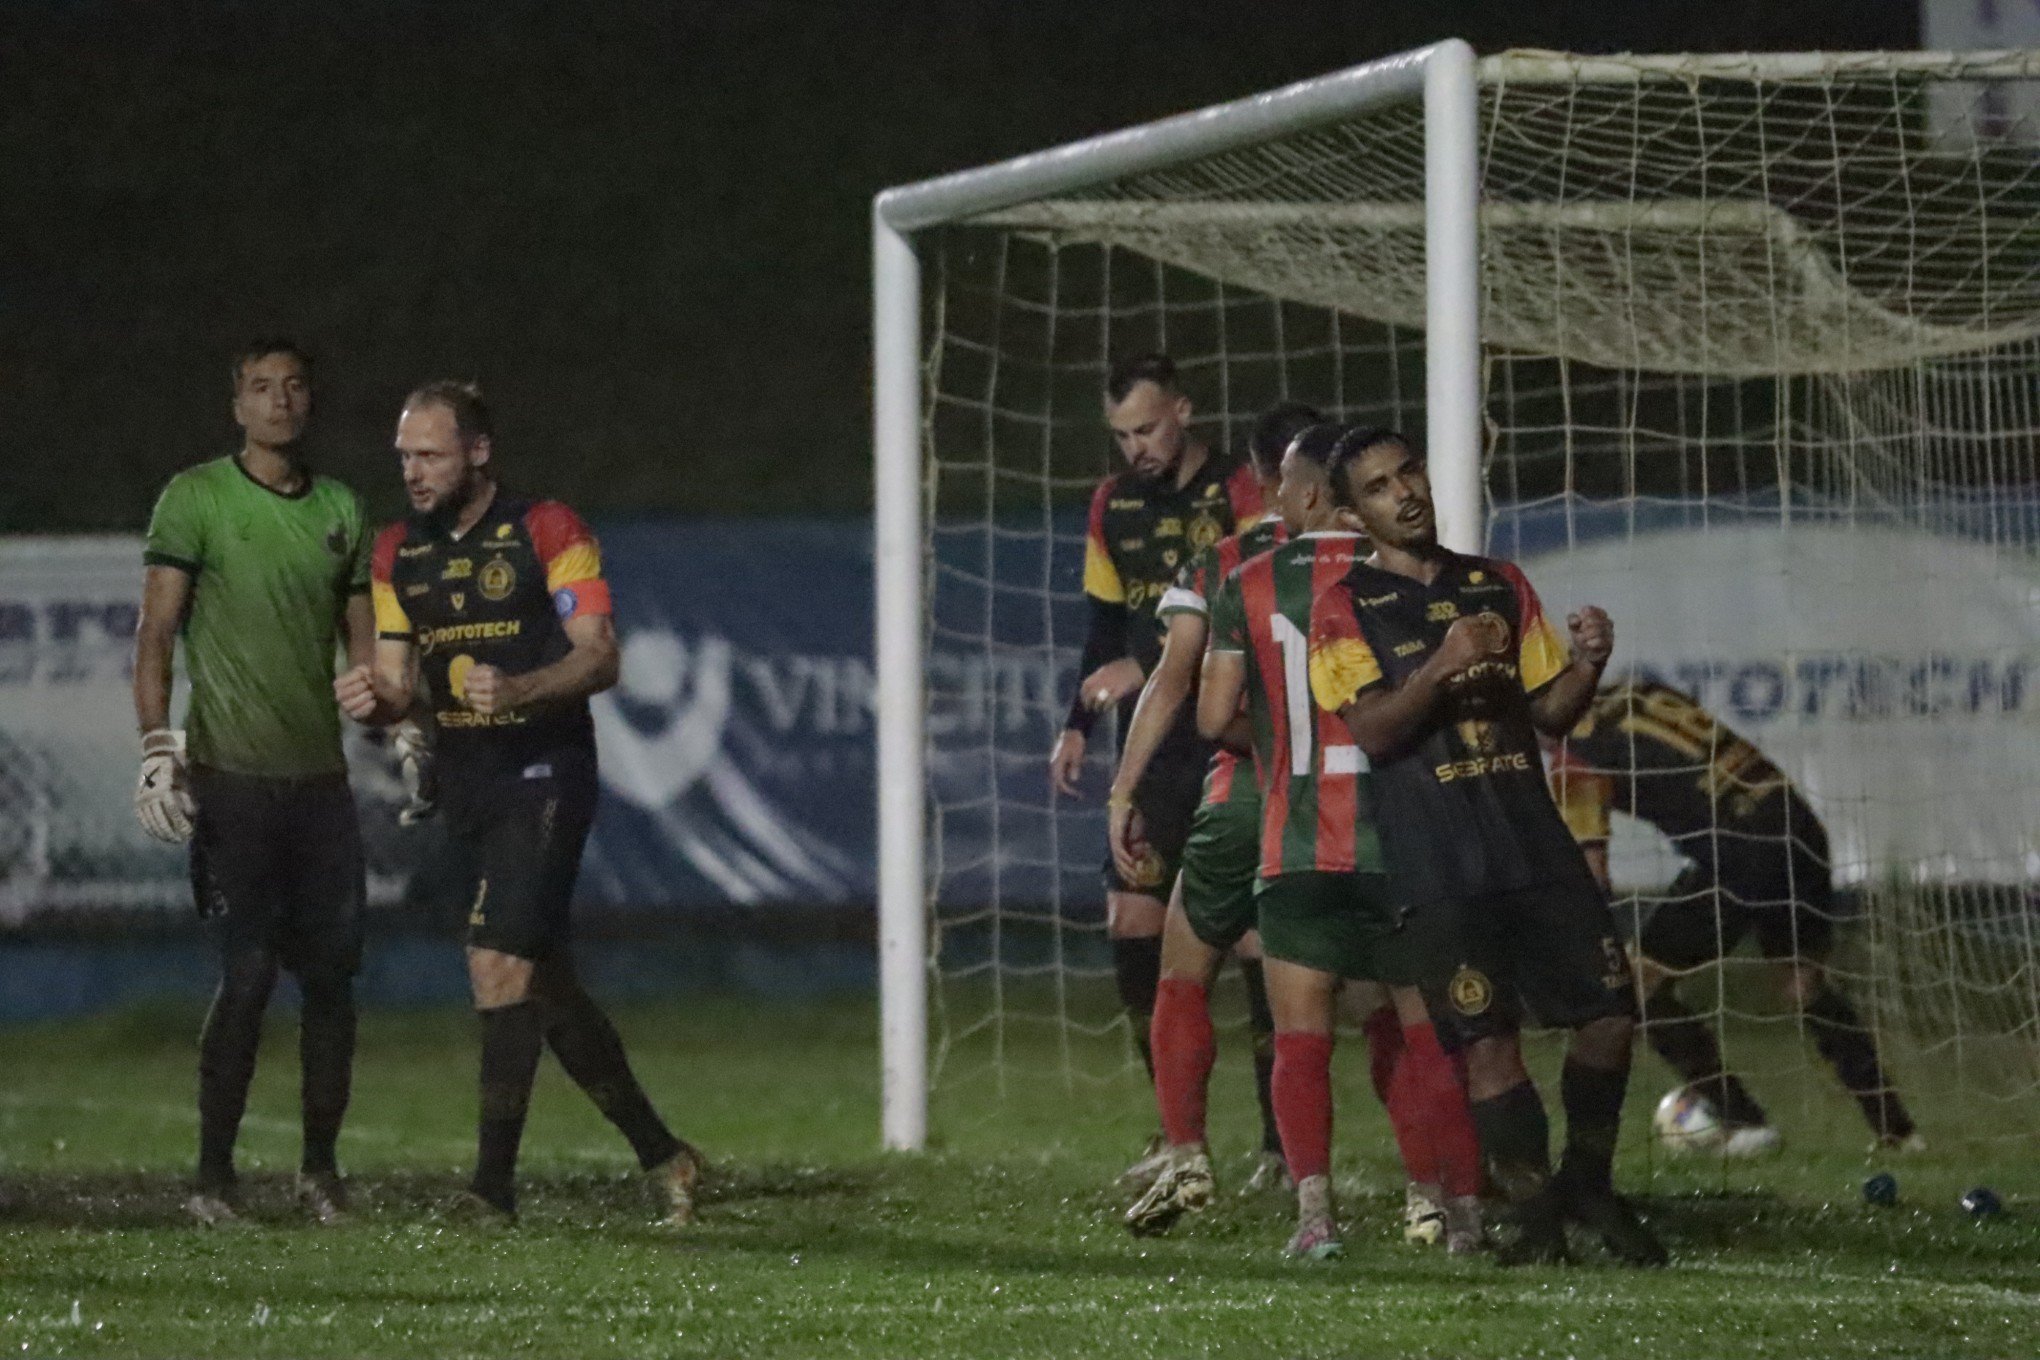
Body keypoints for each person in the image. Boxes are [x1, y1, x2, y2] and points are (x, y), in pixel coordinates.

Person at [334, 381, 700, 1224]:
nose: (413, 473)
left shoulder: (547, 530)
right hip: (467, 781)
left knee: (496, 963)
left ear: (478, 452)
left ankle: (491, 1193)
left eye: (429, 455)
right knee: (543, 987)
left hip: (545, 772)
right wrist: (374, 699)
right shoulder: (397, 551)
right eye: (403, 458)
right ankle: (665, 1156)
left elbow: (600, 657)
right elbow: (397, 682)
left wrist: (527, 686)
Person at [1308, 430, 1665, 1267]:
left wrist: (1587, 663)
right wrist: (1440, 665)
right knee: (1490, 1041)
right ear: (1357, 513)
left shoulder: (1496, 582)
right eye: (1380, 486)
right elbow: (1374, 732)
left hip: (1532, 842)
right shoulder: (1343, 606)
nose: (1405, 493)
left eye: (1410, 473)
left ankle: (1587, 1184)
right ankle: (1534, 1218)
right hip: (1439, 861)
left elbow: (1550, 713)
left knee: (1611, 1015)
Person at [1189, 425, 1484, 1260]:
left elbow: (1214, 718)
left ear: (1309, 494)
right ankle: (1452, 1211)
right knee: (1428, 1034)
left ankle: (1315, 1218)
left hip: (1297, 843)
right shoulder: (1399, 576)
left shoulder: (1245, 583)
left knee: (1301, 1036)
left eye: (1281, 486)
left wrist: (1282, 741)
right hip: (1402, 842)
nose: (1271, 500)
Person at [132, 339, 373, 1226]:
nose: (279, 401)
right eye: (261, 388)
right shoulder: (195, 497)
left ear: (311, 402)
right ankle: (212, 1177)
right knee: (248, 974)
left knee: (335, 982)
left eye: (294, 386)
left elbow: (367, 648)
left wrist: (393, 707)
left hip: (321, 785)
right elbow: (158, 633)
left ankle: (319, 1170)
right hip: (232, 778)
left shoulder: (342, 508)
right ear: (237, 406)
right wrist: (159, 744)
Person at [1045, 353, 1261, 1181]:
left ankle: (1281, 1148)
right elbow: (1104, 626)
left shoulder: (1239, 494)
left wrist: (1149, 666)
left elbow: (1250, 605)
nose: (1136, 446)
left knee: (1251, 939)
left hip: (1231, 737)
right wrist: (1077, 726)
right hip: (1153, 748)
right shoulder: (1113, 504)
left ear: (1184, 410)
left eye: (1147, 427)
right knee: (1133, 924)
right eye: (1122, 434)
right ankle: (1179, 1133)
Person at [1550, 678, 1919, 1153]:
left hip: (1741, 851)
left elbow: (1593, 875)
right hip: (1795, 823)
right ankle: (1898, 1131)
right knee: (1802, 985)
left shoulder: (1573, 763)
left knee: (1636, 990)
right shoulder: (1630, 688)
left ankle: (1742, 1121)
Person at [1111, 400, 1314, 1229]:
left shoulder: (1225, 563)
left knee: (1185, 967)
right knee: (1395, 1000)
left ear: (1259, 477)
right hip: (1362, 798)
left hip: (1247, 793)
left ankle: (1187, 1153)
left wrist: (1122, 789)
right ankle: (1430, 1195)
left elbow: (1173, 687)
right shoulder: (1386, 561)